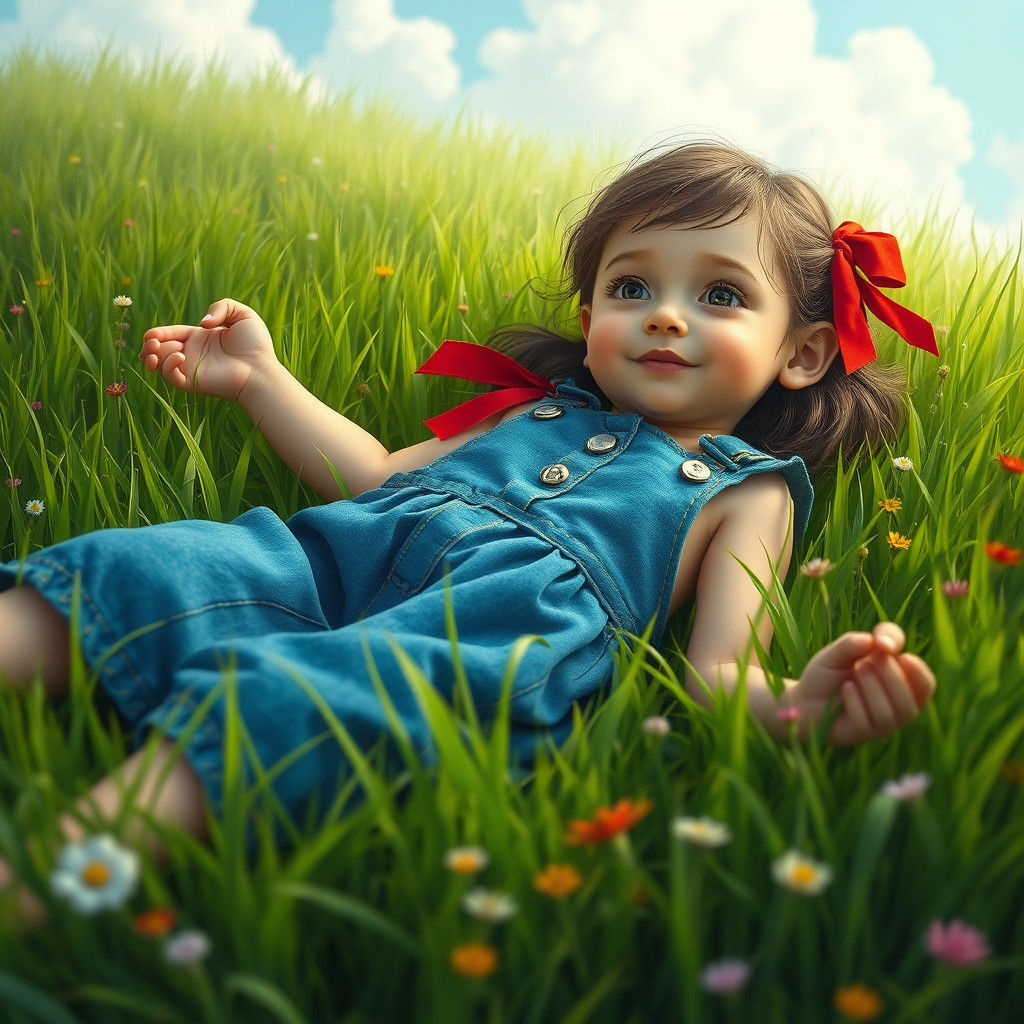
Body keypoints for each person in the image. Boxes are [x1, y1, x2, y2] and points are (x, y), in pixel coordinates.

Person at [0, 140, 938, 929]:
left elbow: (715, 671)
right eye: (632, 284)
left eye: (722, 297)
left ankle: (53, 867)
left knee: (313, 701)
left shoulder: (749, 494)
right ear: (590, 317)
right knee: (165, 567)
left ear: (803, 351)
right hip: (342, 551)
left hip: (490, 631)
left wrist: (799, 706)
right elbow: (367, 476)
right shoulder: (522, 411)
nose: (664, 312)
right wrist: (260, 380)